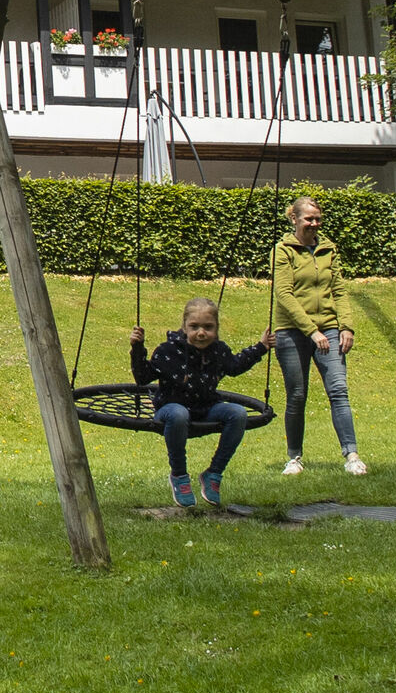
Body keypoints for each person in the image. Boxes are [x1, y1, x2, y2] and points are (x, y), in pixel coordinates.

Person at [130, 296, 268, 508]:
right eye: (194, 327)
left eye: (208, 327)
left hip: (205, 409)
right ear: (184, 326)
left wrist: (262, 346)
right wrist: (137, 348)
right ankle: (179, 476)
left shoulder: (218, 351)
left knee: (238, 413)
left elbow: (236, 366)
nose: (201, 333)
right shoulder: (168, 351)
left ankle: (213, 473)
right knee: (178, 414)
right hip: (170, 409)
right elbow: (142, 377)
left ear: (216, 328)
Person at [270, 194, 367, 477]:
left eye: (317, 219)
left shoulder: (328, 250)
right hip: (291, 332)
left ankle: (351, 455)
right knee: (297, 396)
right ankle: (294, 458)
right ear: (294, 219)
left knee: (338, 391)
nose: (314, 224)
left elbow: (339, 291)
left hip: (330, 328)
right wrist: (311, 332)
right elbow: (284, 294)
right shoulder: (283, 250)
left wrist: (346, 326)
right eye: (308, 219)